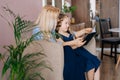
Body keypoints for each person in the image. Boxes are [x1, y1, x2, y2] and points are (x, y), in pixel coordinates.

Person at [55, 14, 101, 80]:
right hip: (73, 54)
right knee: (91, 63)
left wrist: (84, 32)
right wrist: (74, 43)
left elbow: (74, 35)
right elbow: (61, 44)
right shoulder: (58, 36)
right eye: (66, 23)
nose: (68, 25)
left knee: (95, 62)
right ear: (58, 24)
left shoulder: (68, 32)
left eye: (68, 23)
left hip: (78, 51)